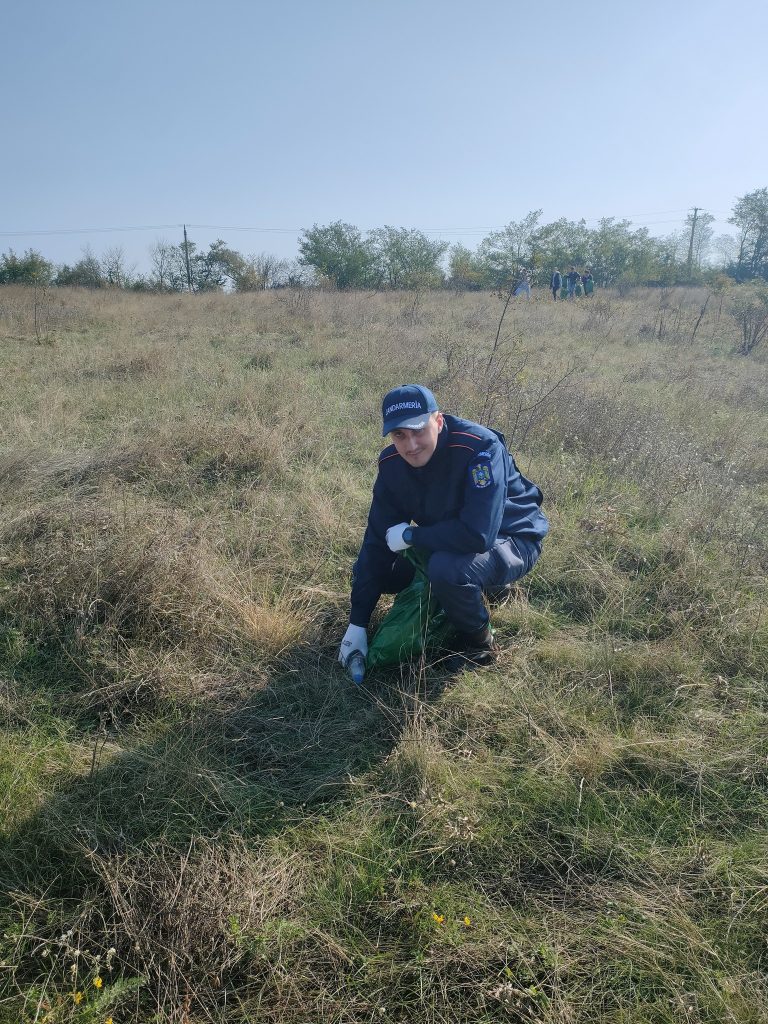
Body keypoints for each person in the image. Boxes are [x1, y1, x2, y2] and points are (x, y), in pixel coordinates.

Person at [338, 384, 548, 671]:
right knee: (377, 570)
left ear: (438, 421)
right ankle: (485, 590)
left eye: (419, 430)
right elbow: (376, 541)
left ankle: (480, 646)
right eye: (399, 434)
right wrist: (357, 624)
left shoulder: (479, 449)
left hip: (513, 537)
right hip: (455, 538)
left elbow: (479, 534)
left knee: (447, 569)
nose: (411, 445)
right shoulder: (392, 465)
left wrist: (413, 535)